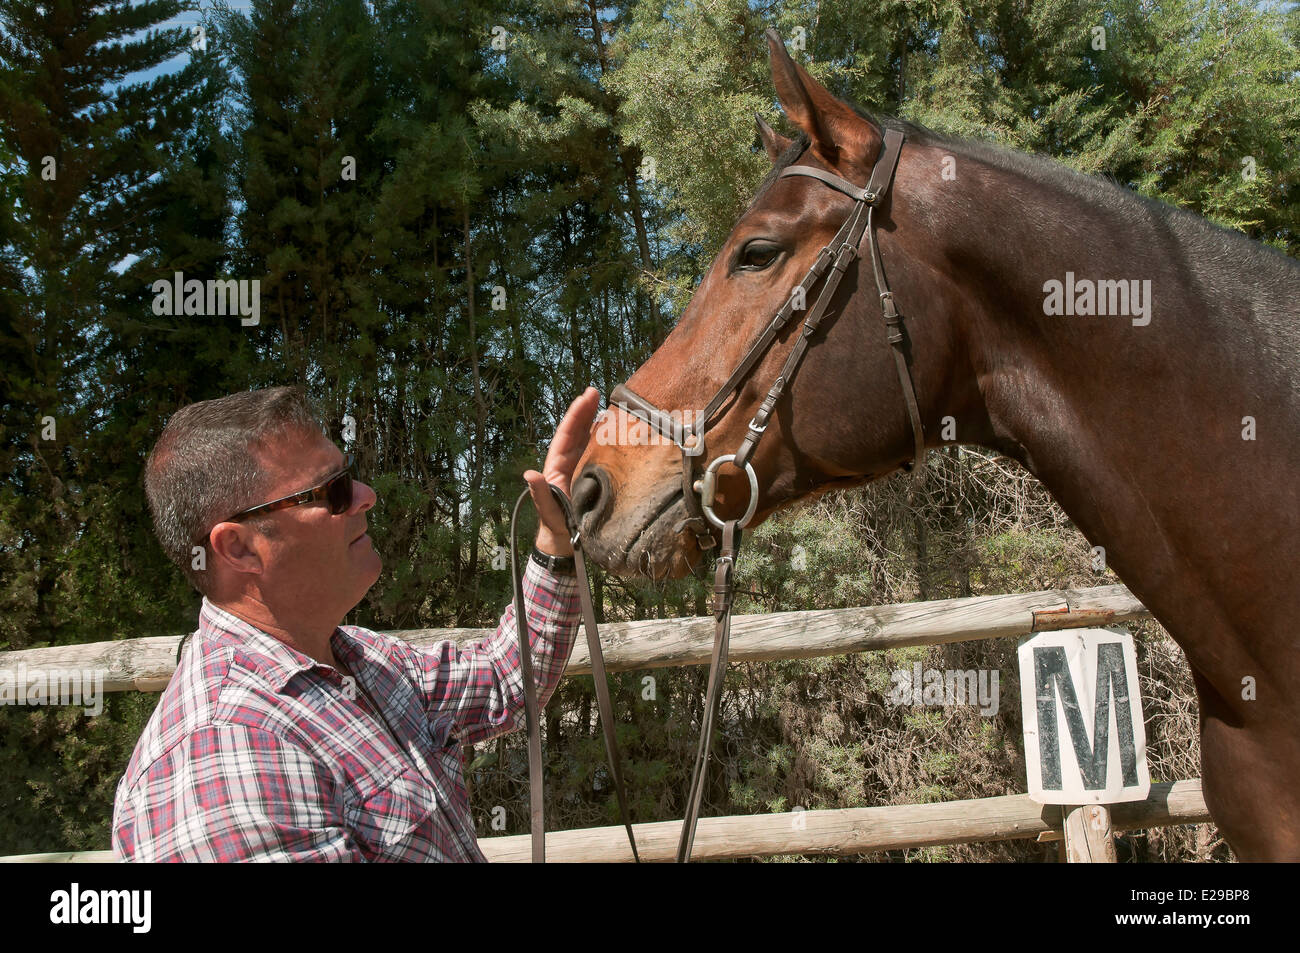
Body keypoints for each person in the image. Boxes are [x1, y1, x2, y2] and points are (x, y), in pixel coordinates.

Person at [111, 384, 600, 861]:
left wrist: (556, 540)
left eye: (352, 476)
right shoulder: (224, 760)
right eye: (334, 491)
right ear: (238, 548)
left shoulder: (360, 659)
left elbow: (503, 678)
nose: (366, 495)